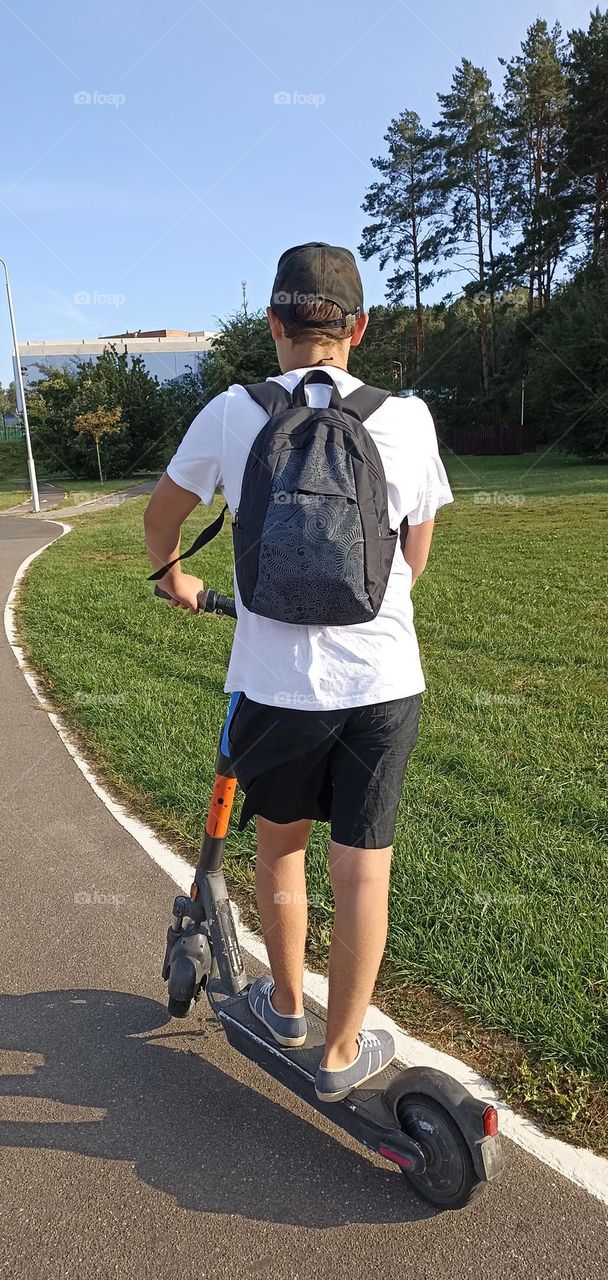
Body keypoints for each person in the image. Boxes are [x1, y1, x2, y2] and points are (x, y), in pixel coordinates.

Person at [144, 242, 453, 1102]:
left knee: (281, 849)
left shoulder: (232, 412)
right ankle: (341, 1049)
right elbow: (414, 556)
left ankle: (283, 1007)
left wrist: (176, 575)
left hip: (276, 687)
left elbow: (161, 514)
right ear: (358, 328)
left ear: (274, 325)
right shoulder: (409, 418)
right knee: (364, 867)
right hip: (384, 684)